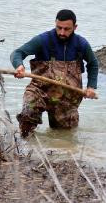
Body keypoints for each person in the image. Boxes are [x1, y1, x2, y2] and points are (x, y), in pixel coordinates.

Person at [10, 9, 98, 138]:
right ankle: (25, 150)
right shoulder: (43, 40)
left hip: (67, 99)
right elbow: (17, 53)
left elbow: (93, 64)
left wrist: (91, 86)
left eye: (67, 29)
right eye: (59, 28)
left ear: (75, 27)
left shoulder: (81, 44)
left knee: (64, 138)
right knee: (27, 116)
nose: (62, 32)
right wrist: (19, 66)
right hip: (39, 90)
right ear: (55, 24)